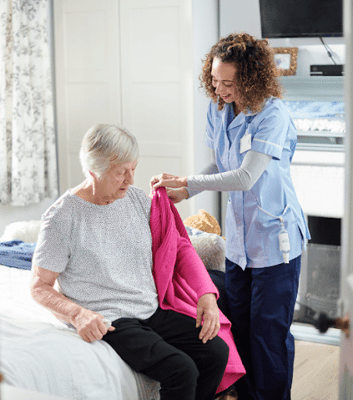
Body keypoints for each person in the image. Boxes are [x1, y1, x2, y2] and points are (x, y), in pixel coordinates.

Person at [30, 123, 245, 400]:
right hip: (110, 318)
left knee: (216, 352)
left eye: (133, 168)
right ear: (93, 169)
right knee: (181, 370)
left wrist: (206, 294)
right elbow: (39, 286)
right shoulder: (62, 218)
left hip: (150, 307)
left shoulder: (135, 200)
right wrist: (77, 314)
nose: (130, 179)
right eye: (120, 172)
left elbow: (178, 247)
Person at [150, 33, 311, 400]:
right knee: (239, 329)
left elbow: (245, 176)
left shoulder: (272, 115)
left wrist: (189, 182)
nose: (220, 89)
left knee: (267, 336)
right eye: (215, 80)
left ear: (251, 79)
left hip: (275, 242)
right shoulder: (219, 108)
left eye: (229, 83)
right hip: (240, 245)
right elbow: (222, 164)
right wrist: (186, 190)